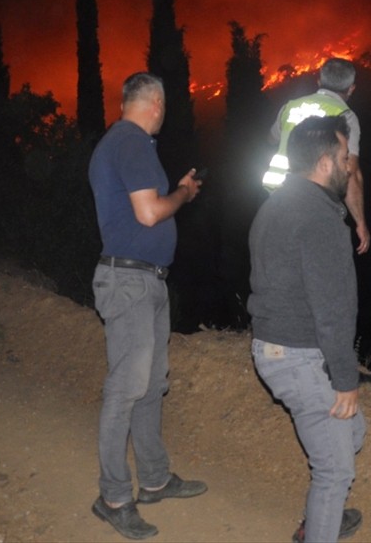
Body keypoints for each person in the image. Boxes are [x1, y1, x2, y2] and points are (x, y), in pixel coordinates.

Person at [86, 72, 207, 540]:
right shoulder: (132, 142)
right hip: (130, 280)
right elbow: (149, 212)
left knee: (151, 385)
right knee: (126, 388)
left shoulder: (124, 144)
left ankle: (154, 478)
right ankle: (113, 495)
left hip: (146, 280)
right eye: (165, 106)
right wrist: (184, 194)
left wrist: (172, 189)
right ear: (155, 102)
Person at [248, 115, 367, 543]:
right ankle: (319, 524)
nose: (349, 166)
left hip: (272, 346)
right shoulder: (319, 218)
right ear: (323, 163)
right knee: (335, 471)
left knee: (353, 432)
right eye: (344, 158)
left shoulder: (276, 204)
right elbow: (333, 308)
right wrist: (345, 377)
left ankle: (317, 519)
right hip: (299, 355)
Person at [262, 57, 370, 254]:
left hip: (273, 199)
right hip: (312, 204)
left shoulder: (290, 107)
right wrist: (360, 222)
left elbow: (271, 139)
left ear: (319, 82)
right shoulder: (345, 116)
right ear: (351, 88)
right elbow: (350, 172)